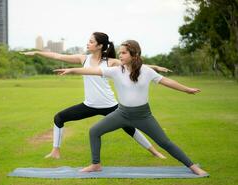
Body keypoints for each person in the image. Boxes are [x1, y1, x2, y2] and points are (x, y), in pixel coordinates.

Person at [54, 39, 208, 176]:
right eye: (120, 52)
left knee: (165, 143)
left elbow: (166, 81)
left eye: (124, 53)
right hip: (121, 113)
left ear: (134, 54)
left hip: (143, 116)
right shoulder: (115, 71)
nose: (120, 55)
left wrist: (187, 89)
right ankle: (96, 165)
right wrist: (72, 70)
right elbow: (92, 70)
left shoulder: (146, 71)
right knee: (94, 131)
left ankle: (193, 167)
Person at [21, 32, 169, 159]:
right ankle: (55, 151)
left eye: (91, 41)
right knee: (59, 118)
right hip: (89, 105)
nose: (88, 43)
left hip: (110, 106)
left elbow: (135, 64)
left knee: (131, 128)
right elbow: (57, 55)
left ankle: (155, 152)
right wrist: (37, 52)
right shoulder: (83, 59)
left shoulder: (111, 62)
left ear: (99, 45)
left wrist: (156, 68)